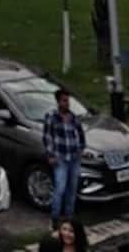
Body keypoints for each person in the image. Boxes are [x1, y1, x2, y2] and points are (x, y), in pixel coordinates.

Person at [41, 86, 86, 227]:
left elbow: (80, 133)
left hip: (73, 157)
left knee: (72, 188)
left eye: (68, 101)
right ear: (58, 102)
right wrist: (50, 155)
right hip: (60, 157)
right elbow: (47, 137)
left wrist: (81, 148)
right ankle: (55, 218)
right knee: (60, 187)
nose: (67, 104)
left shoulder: (73, 117)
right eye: (64, 101)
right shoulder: (51, 117)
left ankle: (69, 217)